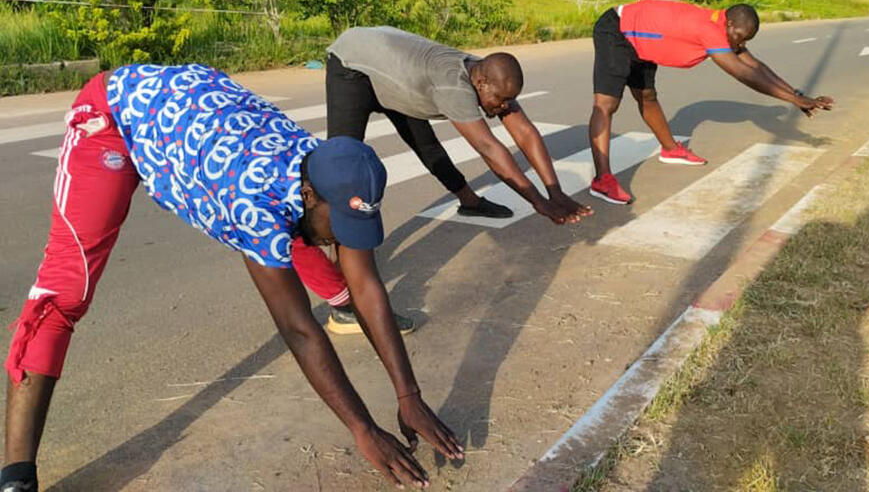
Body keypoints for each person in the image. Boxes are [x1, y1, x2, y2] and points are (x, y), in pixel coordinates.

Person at [2, 65, 461, 492]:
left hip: (200, 110)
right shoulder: (253, 206)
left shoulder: (330, 170)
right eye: (340, 228)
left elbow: (366, 282)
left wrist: (409, 395)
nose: (343, 239)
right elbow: (300, 331)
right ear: (307, 194)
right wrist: (363, 429)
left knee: (308, 241)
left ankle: (337, 300)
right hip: (117, 117)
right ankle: (17, 472)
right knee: (64, 292)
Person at [324, 26, 593, 334]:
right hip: (353, 64)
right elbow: (489, 148)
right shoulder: (454, 86)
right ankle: (342, 289)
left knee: (426, 144)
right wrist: (538, 203)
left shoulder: (488, 73)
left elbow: (525, 132)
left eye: (509, 101)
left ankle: (469, 201)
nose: (504, 107)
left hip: (397, 70)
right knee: (344, 167)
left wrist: (554, 190)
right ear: (480, 82)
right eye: (501, 100)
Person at [588, 0, 835, 204]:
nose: (741, 44)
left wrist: (797, 95)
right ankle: (602, 180)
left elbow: (756, 66)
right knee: (607, 104)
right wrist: (793, 99)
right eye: (739, 37)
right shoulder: (710, 31)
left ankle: (671, 150)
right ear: (729, 24)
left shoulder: (725, 30)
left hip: (640, 41)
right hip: (617, 31)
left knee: (646, 95)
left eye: (745, 41)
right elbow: (743, 74)